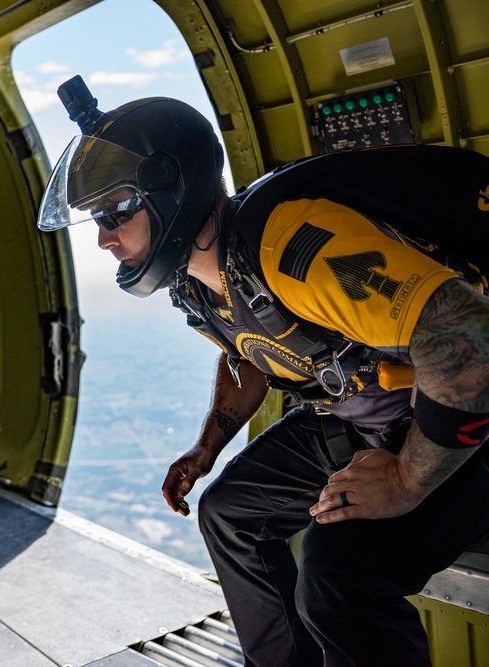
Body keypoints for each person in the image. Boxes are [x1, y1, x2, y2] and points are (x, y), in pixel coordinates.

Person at [37, 77, 489, 666]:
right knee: (229, 515)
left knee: (338, 575)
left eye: (116, 211)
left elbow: (470, 339)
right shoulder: (198, 284)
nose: (103, 240)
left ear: (173, 189)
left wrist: (405, 480)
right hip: (359, 414)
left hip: (458, 423)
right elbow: (250, 352)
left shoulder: (291, 247)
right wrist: (207, 447)